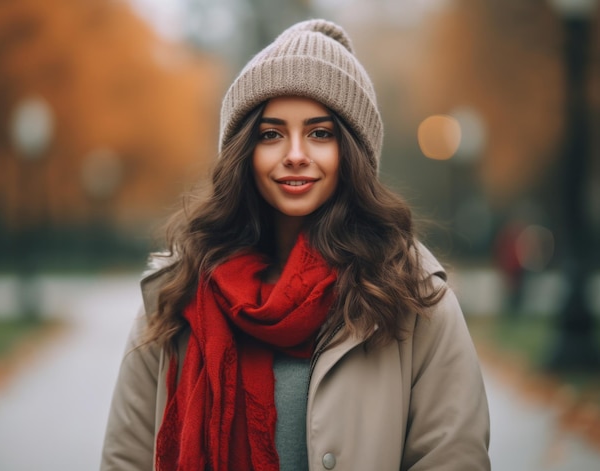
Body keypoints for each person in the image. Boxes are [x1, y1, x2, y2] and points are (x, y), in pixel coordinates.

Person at [100, 19, 490, 471]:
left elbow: (451, 457)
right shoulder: (177, 295)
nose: (296, 153)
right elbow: (126, 459)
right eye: (272, 134)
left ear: (353, 153)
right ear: (245, 151)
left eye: (320, 133)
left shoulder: (412, 295)